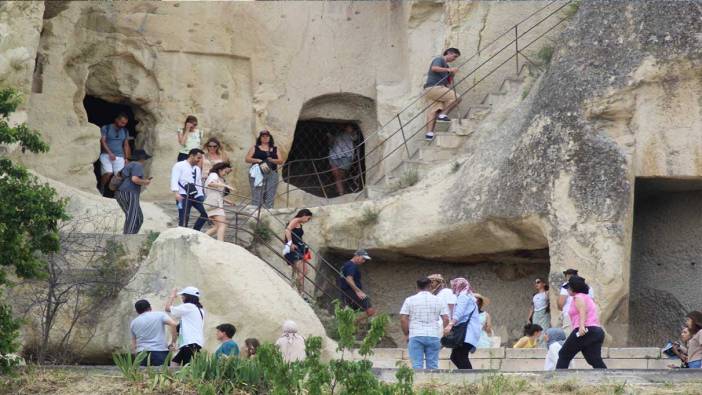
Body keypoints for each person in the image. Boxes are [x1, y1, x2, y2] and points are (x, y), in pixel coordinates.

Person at [556, 275, 607, 369]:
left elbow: (582, 311)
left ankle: (558, 379)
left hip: (585, 330)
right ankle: (607, 379)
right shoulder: (587, 298)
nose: (567, 290)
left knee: (563, 354)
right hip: (596, 331)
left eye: (568, 287)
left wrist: (581, 326)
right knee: (593, 359)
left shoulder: (578, 297)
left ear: (573, 288)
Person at [400, 277, 449, 369]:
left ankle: (418, 383)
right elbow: (446, 318)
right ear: (430, 286)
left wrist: (406, 334)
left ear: (417, 287)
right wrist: (445, 334)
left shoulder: (409, 300)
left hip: (415, 334)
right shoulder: (439, 300)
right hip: (434, 335)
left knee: (417, 365)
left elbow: (403, 319)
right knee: (433, 366)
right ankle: (432, 383)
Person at [423, 48, 462, 141]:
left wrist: (452, 74)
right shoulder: (439, 59)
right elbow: (434, 68)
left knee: (434, 110)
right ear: (449, 53)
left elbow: (448, 82)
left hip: (432, 89)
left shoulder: (446, 66)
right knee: (457, 97)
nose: (454, 59)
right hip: (435, 87)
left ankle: (429, 134)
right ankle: (443, 115)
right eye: (454, 56)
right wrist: (449, 69)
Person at [444, 277, 481, 369]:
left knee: (460, 356)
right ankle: (466, 377)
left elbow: (459, 313)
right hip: (468, 332)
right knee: (456, 357)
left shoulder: (463, 296)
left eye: (454, 285)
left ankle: (470, 378)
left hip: (466, 333)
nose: (452, 287)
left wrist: (450, 324)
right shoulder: (469, 296)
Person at [130, 299, 177, 366]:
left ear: (137, 311)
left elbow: (134, 344)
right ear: (150, 307)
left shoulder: (133, 323)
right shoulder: (159, 315)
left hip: (141, 354)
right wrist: (173, 342)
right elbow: (173, 324)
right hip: (160, 352)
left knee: (143, 376)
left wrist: (136, 358)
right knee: (161, 375)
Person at [165, 286, 205, 366]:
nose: (181, 297)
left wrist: (172, 296)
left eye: (182, 295)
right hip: (191, 344)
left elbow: (167, 308)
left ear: (187, 296)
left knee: (187, 371)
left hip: (189, 344)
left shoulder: (189, 306)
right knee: (174, 364)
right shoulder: (199, 309)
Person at [114, 149, 152, 234]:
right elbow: (134, 179)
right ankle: (127, 239)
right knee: (133, 217)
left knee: (138, 218)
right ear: (141, 159)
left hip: (120, 193)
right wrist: (145, 182)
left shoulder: (130, 165)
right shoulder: (137, 165)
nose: (144, 161)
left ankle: (131, 235)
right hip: (130, 193)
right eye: (144, 159)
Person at [170, 148, 208, 230]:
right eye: (198, 157)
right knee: (183, 218)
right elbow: (174, 179)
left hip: (196, 195)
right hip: (182, 195)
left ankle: (195, 231)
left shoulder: (197, 168)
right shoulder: (179, 165)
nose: (199, 160)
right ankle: (181, 235)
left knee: (206, 212)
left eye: (200, 158)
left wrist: (201, 195)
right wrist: (176, 193)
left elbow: (198, 183)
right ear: (191, 156)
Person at [245, 130, 284, 208]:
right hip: (258, 172)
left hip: (271, 172)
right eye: (263, 136)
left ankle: (268, 213)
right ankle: (255, 214)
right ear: (260, 138)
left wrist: (272, 160)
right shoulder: (255, 148)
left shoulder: (275, 149)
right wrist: (257, 160)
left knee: (270, 194)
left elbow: (280, 161)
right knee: (257, 194)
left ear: (270, 138)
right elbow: (247, 159)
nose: (265, 138)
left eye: (267, 136)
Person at [339, 249, 377, 324]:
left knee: (348, 312)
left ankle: (349, 324)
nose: (363, 261)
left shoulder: (346, 264)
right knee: (370, 311)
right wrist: (358, 291)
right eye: (363, 258)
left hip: (346, 292)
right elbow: (349, 279)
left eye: (365, 259)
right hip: (352, 292)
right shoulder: (352, 266)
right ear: (357, 256)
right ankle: (352, 323)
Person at [99, 113, 131, 194]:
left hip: (120, 156)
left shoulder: (125, 130)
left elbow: (126, 145)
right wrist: (110, 153)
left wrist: (126, 158)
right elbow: (102, 141)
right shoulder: (106, 128)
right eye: (122, 122)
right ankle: (102, 187)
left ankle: (116, 194)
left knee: (119, 176)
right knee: (108, 173)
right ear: (116, 120)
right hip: (106, 155)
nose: (123, 125)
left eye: (125, 123)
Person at [284, 209, 313, 296]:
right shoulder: (295, 221)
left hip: (299, 248)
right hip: (294, 249)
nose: (308, 221)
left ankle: (300, 292)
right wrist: (290, 243)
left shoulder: (299, 223)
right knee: (303, 271)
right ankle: (296, 287)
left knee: (301, 271)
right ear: (304, 215)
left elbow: (296, 235)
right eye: (308, 218)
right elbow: (287, 230)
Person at [203, 162, 235, 241]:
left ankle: (202, 238)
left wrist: (228, 201)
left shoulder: (218, 178)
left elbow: (217, 194)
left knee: (218, 226)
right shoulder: (214, 175)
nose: (225, 174)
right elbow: (210, 184)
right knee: (223, 224)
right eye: (225, 172)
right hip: (214, 204)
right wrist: (225, 185)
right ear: (220, 170)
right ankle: (220, 243)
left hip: (213, 203)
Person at [328, 124, 359, 196]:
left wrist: (350, 131)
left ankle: (341, 189)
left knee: (342, 175)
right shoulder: (335, 133)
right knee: (337, 175)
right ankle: (341, 193)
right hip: (334, 156)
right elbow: (330, 144)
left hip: (346, 156)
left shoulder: (350, 134)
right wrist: (330, 137)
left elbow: (355, 138)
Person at [428, 274, 456, 338]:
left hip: (444, 323)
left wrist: (451, 324)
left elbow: (452, 308)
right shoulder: (434, 295)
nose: (430, 284)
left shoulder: (447, 292)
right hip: (435, 324)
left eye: (432, 282)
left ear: (439, 282)